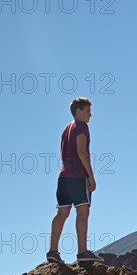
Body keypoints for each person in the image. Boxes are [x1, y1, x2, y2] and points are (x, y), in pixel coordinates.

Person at [46, 97, 104, 264]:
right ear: (78, 111)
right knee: (83, 211)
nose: (90, 115)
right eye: (88, 111)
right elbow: (82, 152)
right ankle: (82, 252)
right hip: (78, 176)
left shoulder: (66, 128)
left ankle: (52, 251)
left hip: (63, 177)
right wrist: (91, 176)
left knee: (62, 212)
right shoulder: (81, 126)